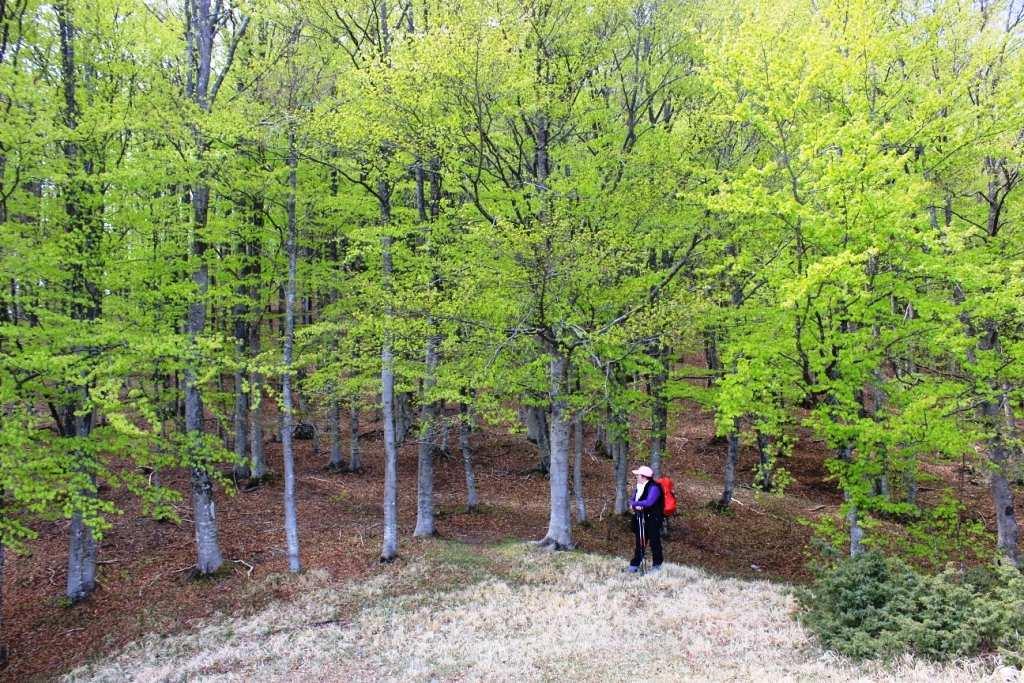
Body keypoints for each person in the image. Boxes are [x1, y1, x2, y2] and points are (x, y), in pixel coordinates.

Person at [628, 465, 663, 573]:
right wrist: (635, 505)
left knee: (654, 542)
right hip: (640, 518)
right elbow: (632, 500)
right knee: (640, 542)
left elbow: (649, 502)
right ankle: (635, 565)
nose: (636, 477)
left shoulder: (654, 487)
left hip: (653, 519)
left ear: (643, 477)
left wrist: (635, 504)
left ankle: (657, 565)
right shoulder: (638, 486)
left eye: (638, 475)